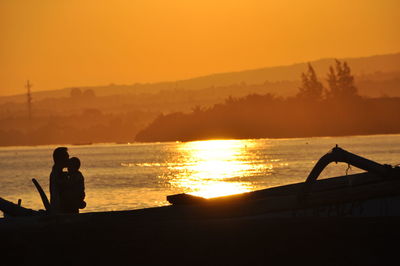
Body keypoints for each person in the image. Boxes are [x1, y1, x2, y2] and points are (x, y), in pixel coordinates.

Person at [49, 147, 69, 213]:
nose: (68, 160)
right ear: (60, 159)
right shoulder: (57, 175)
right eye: (67, 157)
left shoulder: (58, 173)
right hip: (60, 211)